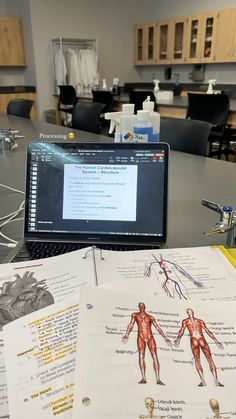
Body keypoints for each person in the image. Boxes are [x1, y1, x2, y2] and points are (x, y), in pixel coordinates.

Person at [122, 302, 171, 384]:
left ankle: (158, 379)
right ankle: (144, 378)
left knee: (154, 357)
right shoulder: (135, 315)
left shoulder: (150, 317)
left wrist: (165, 338)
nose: (142, 307)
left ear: (145, 307)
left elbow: (157, 327)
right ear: (138, 307)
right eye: (140, 306)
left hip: (150, 337)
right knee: (141, 356)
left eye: (143, 306)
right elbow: (131, 325)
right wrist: (126, 335)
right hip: (141, 337)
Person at [174, 308, 224, 386]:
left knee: (197, 360)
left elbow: (182, 330)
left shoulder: (186, 321)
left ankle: (203, 381)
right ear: (192, 313)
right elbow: (207, 331)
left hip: (194, 339)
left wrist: (178, 339)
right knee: (209, 359)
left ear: (188, 313)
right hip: (201, 339)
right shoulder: (199, 321)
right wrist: (216, 342)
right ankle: (216, 381)